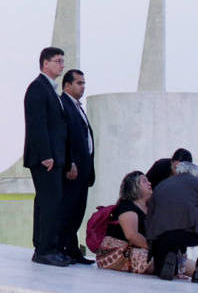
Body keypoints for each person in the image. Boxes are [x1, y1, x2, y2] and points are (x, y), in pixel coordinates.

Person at [23, 47, 69, 266]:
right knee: (49, 203)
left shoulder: (50, 89)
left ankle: (46, 246)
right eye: (57, 61)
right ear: (45, 63)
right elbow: (37, 125)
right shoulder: (38, 88)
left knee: (48, 202)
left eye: (62, 61)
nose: (62, 65)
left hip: (54, 158)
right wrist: (46, 155)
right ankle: (45, 250)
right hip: (45, 160)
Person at [58, 69, 95, 264]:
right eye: (79, 83)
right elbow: (64, 138)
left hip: (84, 170)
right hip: (73, 170)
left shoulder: (77, 107)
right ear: (67, 86)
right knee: (68, 210)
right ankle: (63, 249)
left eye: (83, 83)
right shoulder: (63, 105)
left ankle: (72, 250)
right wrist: (70, 163)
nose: (83, 87)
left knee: (77, 211)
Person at [96, 171, 157, 274]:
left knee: (170, 259)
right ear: (134, 186)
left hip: (133, 250)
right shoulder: (126, 206)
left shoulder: (148, 209)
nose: (149, 183)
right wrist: (155, 248)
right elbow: (132, 235)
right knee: (162, 261)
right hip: (116, 254)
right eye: (144, 181)